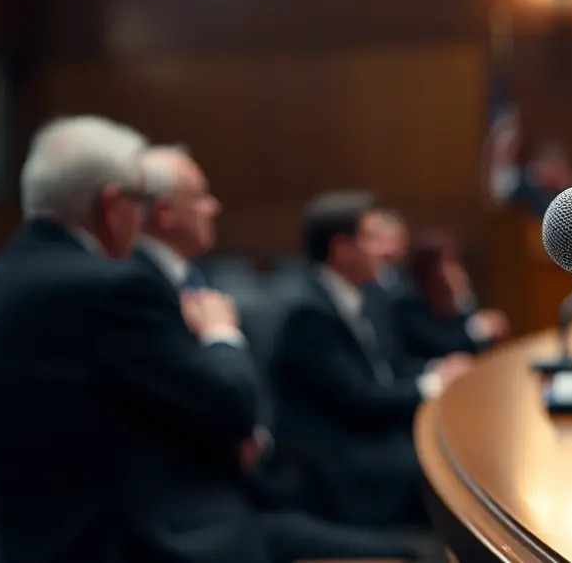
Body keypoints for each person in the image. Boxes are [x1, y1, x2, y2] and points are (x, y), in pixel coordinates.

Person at [0, 117, 267, 563]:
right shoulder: (111, 289)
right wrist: (222, 333)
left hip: (30, 527)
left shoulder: (7, 271)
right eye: (138, 200)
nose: (141, 217)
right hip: (110, 539)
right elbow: (232, 406)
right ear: (110, 205)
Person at [133, 147, 420, 561]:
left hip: (240, 489)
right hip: (237, 500)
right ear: (163, 212)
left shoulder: (182, 283)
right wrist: (221, 337)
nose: (214, 207)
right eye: (200, 196)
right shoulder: (146, 292)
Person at [269, 192, 471, 529]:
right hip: (338, 453)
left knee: (459, 446)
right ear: (341, 248)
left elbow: (389, 366)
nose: (385, 250)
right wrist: (433, 384)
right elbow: (356, 399)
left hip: (372, 429)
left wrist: (435, 369)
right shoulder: (307, 312)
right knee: (449, 467)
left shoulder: (366, 294)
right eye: (371, 238)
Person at [391, 229, 510, 359]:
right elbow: (441, 345)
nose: (458, 270)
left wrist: (465, 299)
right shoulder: (409, 305)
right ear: (428, 271)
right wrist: (476, 329)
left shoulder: (456, 294)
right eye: (449, 263)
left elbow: (467, 327)